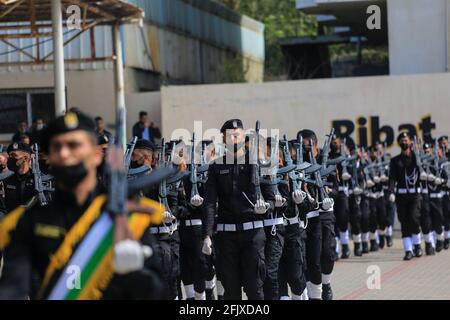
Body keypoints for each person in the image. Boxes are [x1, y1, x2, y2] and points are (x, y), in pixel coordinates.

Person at [0, 111, 163, 299]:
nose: (64, 153)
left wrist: (136, 273)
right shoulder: (27, 223)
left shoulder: (126, 217)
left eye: (74, 145)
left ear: (96, 155)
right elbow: (12, 287)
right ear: (49, 157)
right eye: (56, 147)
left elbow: (157, 293)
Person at [203, 119, 275, 300]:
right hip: (227, 238)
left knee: (254, 289)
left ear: (244, 136)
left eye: (238, 135)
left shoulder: (259, 163)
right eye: (230, 136)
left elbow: (271, 198)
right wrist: (207, 235)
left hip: (253, 235)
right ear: (223, 139)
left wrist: (265, 208)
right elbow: (210, 202)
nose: (234, 139)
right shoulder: (216, 166)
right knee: (231, 291)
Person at [298, 129, 336, 300]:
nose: (302, 149)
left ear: (313, 143)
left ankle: (326, 283)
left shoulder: (324, 160)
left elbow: (336, 184)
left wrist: (328, 190)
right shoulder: (299, 162)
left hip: (325, 211)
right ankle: (314, 292)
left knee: (327, 253)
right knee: (310, 257)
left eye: (305, 146)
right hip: (309, 214)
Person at [388, 132, 423, 261]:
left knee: (414, 219)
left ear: (410, 143)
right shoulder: (395, 160)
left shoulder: (416, 158)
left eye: (406, 140)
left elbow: (421, 171)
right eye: (402, 140)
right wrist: (391, 192)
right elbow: (392, 178)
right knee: (404, 222)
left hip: (414, 195)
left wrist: (416, 152)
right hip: (401, 195)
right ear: (399, 143)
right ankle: (408, 250)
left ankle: (417, 245)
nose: (404, 142)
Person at [0, 142, 35, 216]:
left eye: (14, 155)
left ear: (25, 158)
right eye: (9, 156)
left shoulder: (37, 180)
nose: (10, 158)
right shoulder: (5, 181)